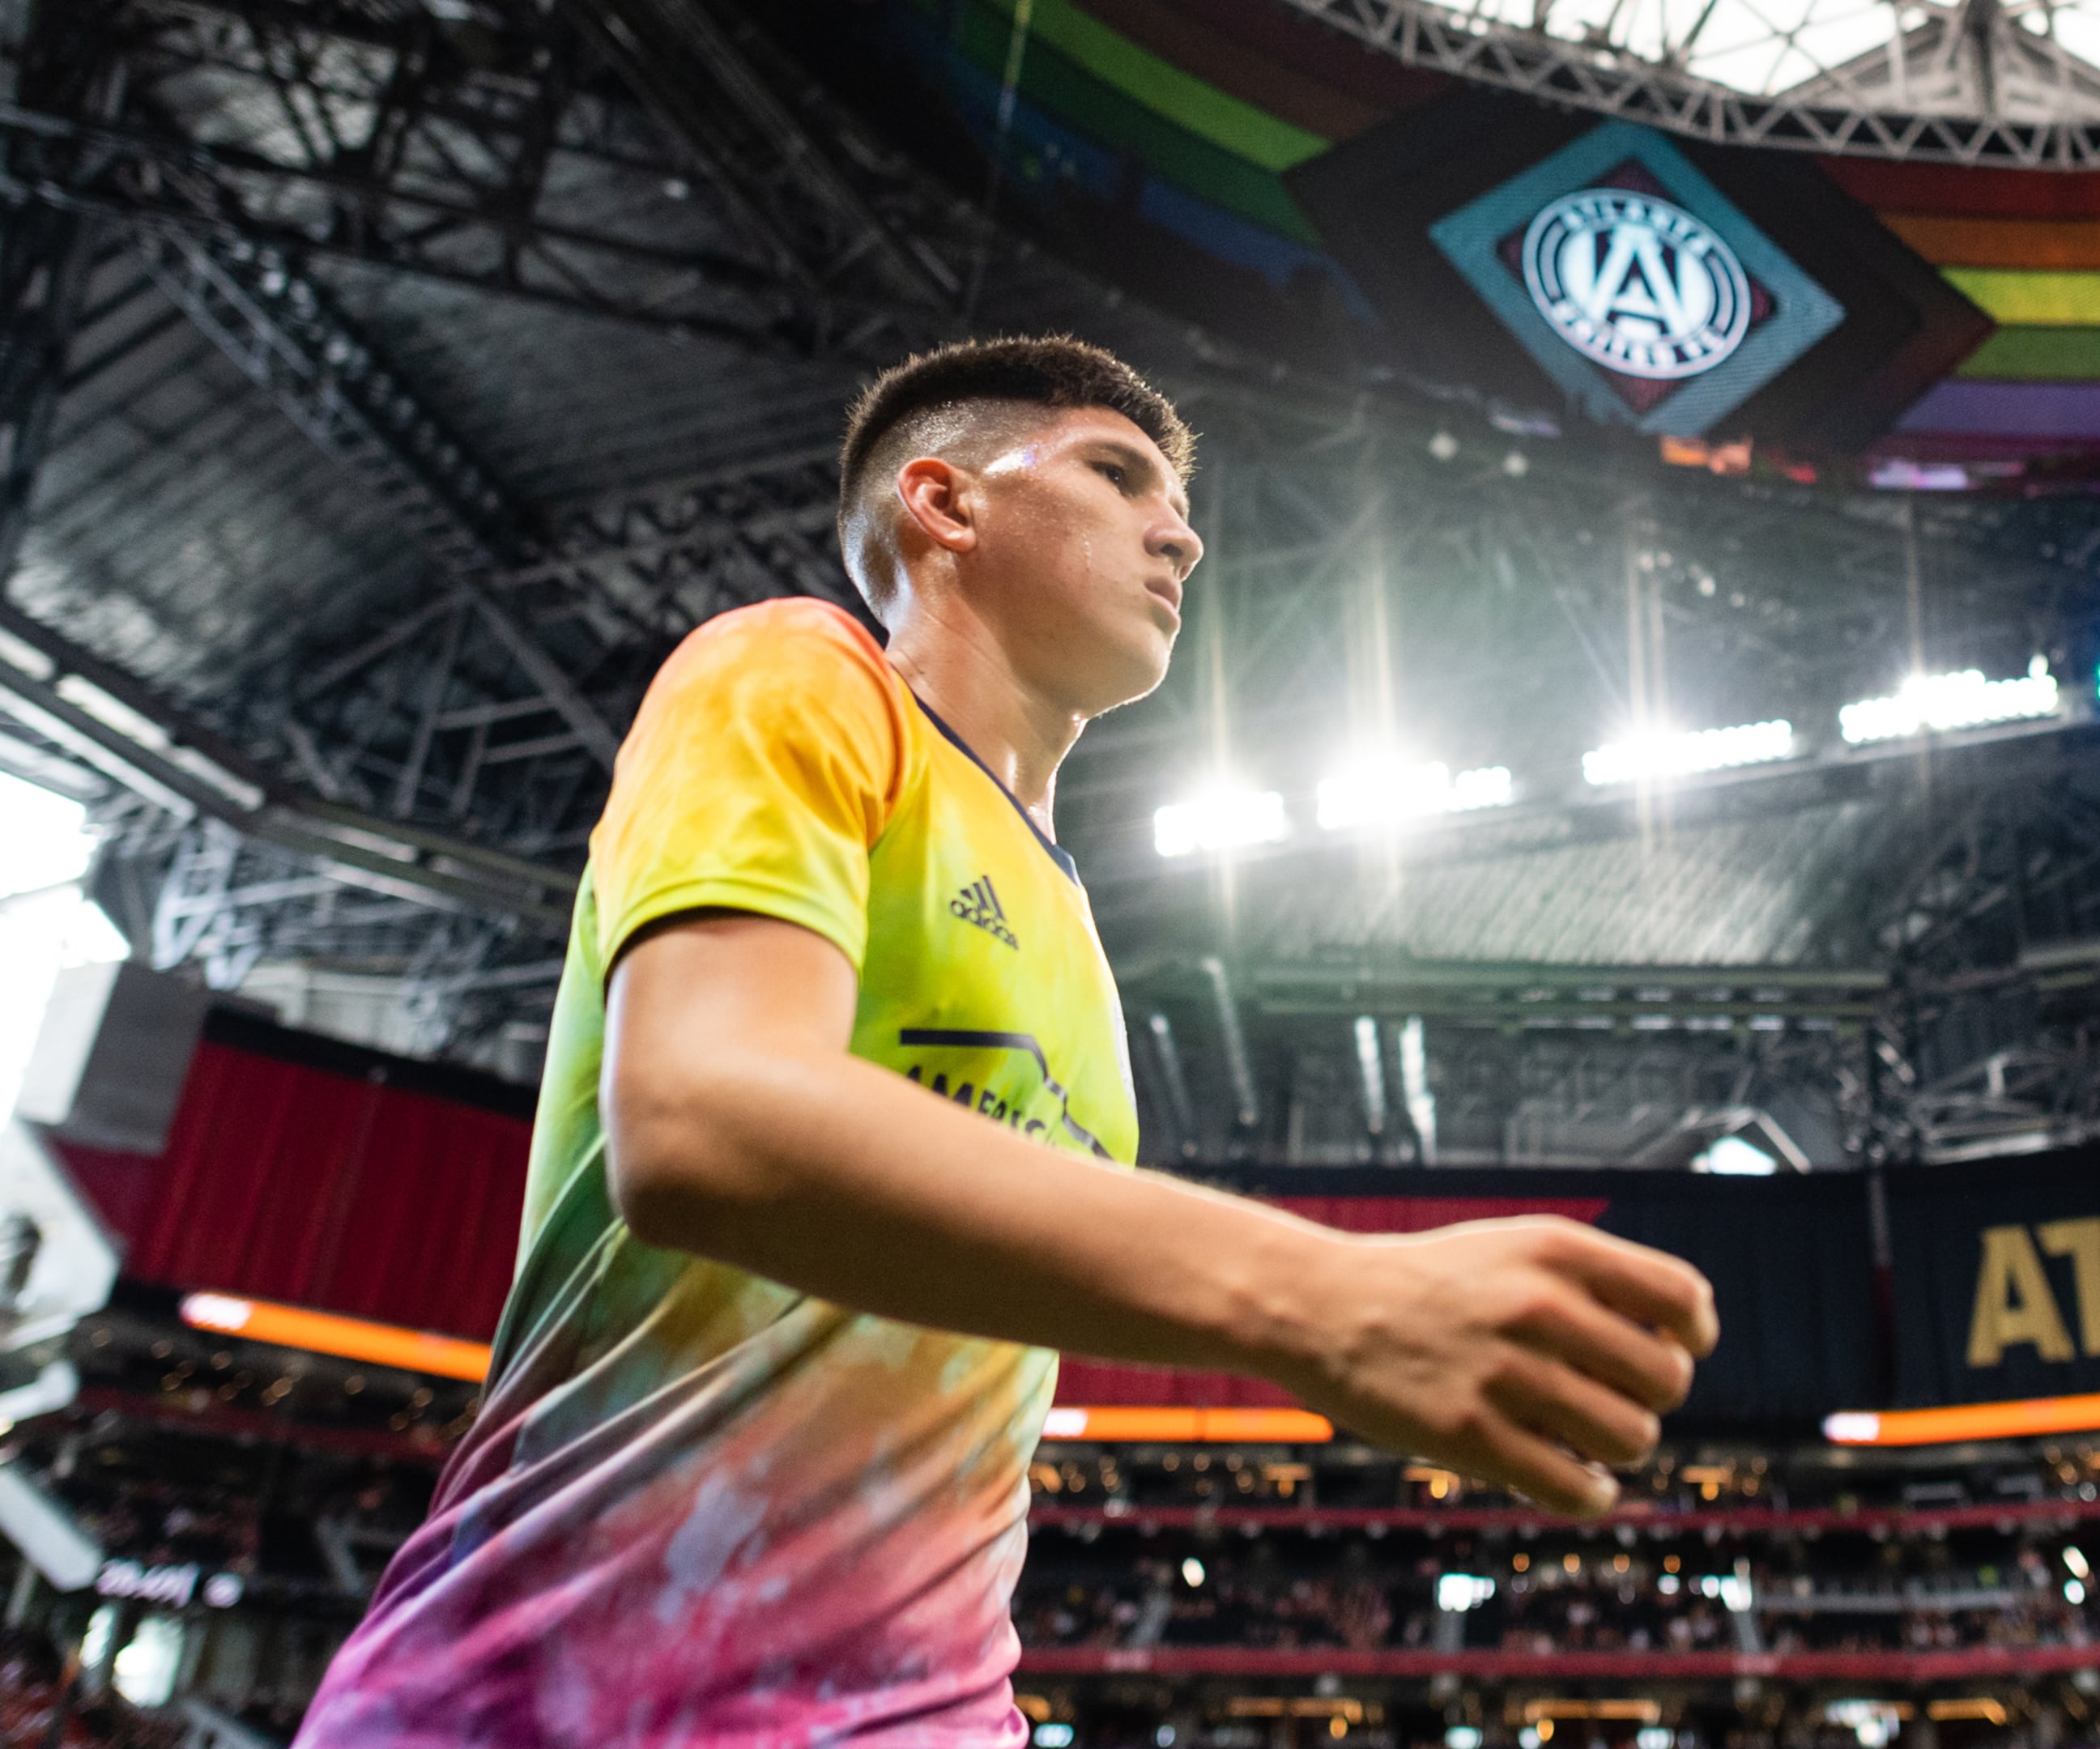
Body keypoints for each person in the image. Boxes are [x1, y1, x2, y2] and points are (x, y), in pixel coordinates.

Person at [296, 335, 1717, 1746]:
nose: (1185, 531)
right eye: (1118, 474)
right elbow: (701, 1118)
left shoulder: (1076, 926)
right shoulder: (794, 672)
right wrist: (1318, 1295)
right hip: (552, 1710)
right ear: (947, 504)